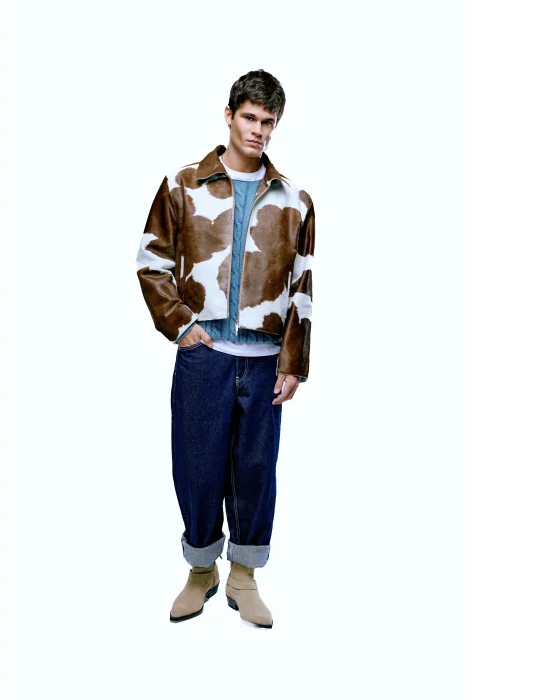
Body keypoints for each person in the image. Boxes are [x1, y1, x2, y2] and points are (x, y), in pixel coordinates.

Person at [135, 69, 315, 628]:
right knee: (197, 465)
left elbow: (303, 286)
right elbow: (151, 262)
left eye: (268, 122)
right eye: (249, 118)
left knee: (256, 470)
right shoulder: (183, 184)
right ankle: (200, 570)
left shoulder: (295, 200)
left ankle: (244, 576)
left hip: (264, 363)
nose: (258, 130)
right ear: (230, 115)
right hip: (204, 354)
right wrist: (182, 327)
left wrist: (294, 363)